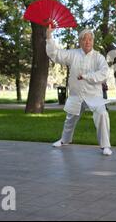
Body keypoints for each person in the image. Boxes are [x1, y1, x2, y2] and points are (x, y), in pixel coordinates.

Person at [46, 25, 112, 156]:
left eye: (89, 39)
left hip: (94, 96)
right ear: (80, 42)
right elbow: (56, 54)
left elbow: (104, 73)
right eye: (84, 39)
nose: (87, 42)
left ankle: (105, 146)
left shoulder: (98, 57)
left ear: (93, 41)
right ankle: (64, 140)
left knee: (102, 114)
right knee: (70, 118)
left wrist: (87, 76)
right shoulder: (73, 54)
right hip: (76, 95)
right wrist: (49, 37)